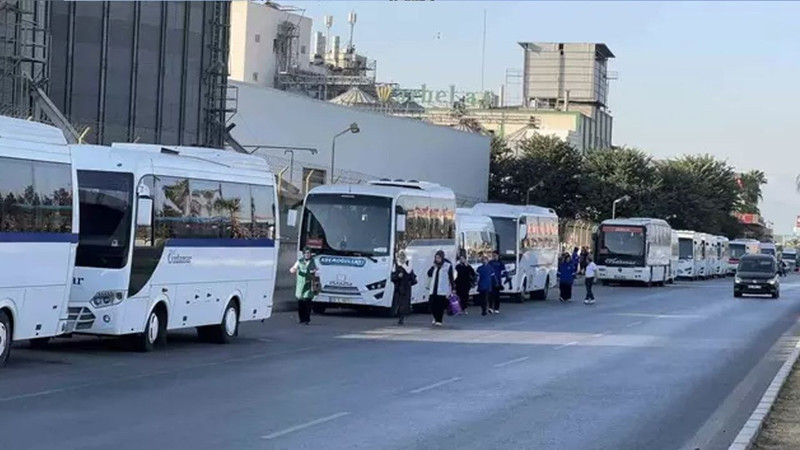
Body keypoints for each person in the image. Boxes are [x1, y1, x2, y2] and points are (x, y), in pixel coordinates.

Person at [427, 250, 455, 327]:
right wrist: (433, 267)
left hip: (442, 289)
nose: (437, 259)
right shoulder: (434, 265)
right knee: (431, 305)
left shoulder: (447, 265)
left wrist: (453, 287)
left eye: (439, 258)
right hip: (433, 288)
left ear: (442, 258)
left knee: (440, 306)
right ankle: (435, 317)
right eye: (436, 258)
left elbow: (451, 277)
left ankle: (439, 320)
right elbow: (429, 273)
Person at [290, 248, 317, 325]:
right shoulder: (300, 261)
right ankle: (301, 319)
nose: (307, 255)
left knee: (308, 302)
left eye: (309, 253)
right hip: (301, 285)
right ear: (304, 254)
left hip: (309, 284)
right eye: (306, 253)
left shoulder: (313, 261)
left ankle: (307, 319)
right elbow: (294, 268)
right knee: (301, 302)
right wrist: (293, 270)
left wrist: (315, 271)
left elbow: (316, 270)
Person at [391, 251, 415, 325]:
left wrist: (403, 265)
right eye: (400, 255)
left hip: (406, 286)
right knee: (398, 301)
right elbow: (392, 275)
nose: (402, 256)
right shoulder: (396, 264)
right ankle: (398, 313)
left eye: (403, 255)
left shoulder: (408, 262)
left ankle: (402, 317)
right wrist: (398, 276)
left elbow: (409, 271)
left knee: (404, 302)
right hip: (398, 285)